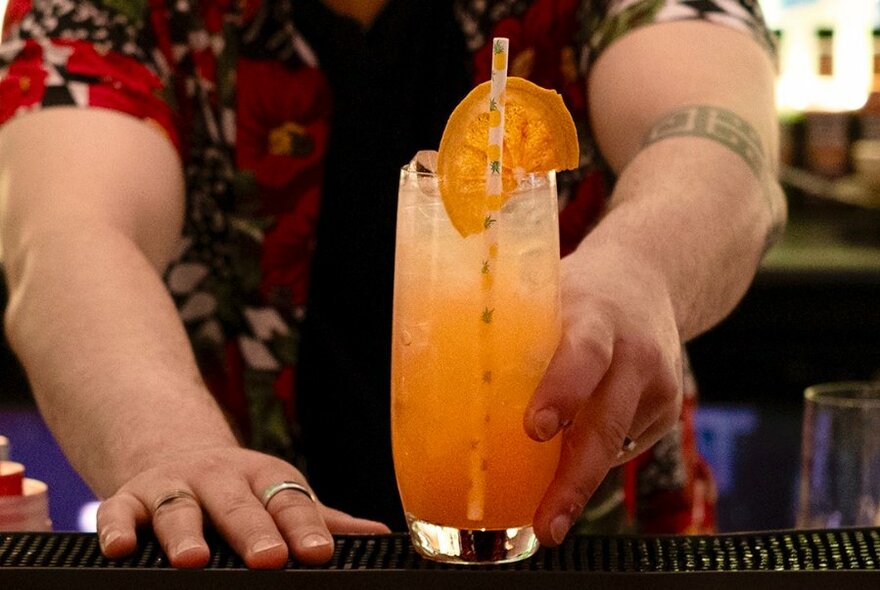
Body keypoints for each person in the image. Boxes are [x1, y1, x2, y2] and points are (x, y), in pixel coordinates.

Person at [0, 0, 785, 569]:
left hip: (594, 546)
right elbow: (68, 232)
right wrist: (173, 450)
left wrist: (643, 263)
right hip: (253, 549)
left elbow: (718, 136)